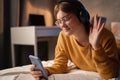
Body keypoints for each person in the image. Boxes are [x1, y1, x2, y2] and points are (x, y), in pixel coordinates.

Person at [30, 0, 120, 80]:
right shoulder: (63, 37)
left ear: (81, 16)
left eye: (66, 19)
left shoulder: (105, 36)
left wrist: (96, 47)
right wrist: (45, 71)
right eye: (59, 21)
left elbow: (109, 75)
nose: (62, 25)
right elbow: (60, 65)